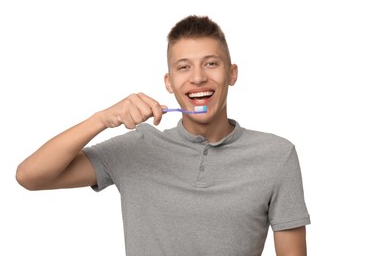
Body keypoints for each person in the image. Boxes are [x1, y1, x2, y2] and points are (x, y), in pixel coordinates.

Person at [16, 15, 311, 256]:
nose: (197, 77)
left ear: (232, 73)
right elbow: (30, 176)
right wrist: (101, 119)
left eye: (211, 63)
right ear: (169, 82)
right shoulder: (137, 148)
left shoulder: (276, 155)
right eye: (184, 67)